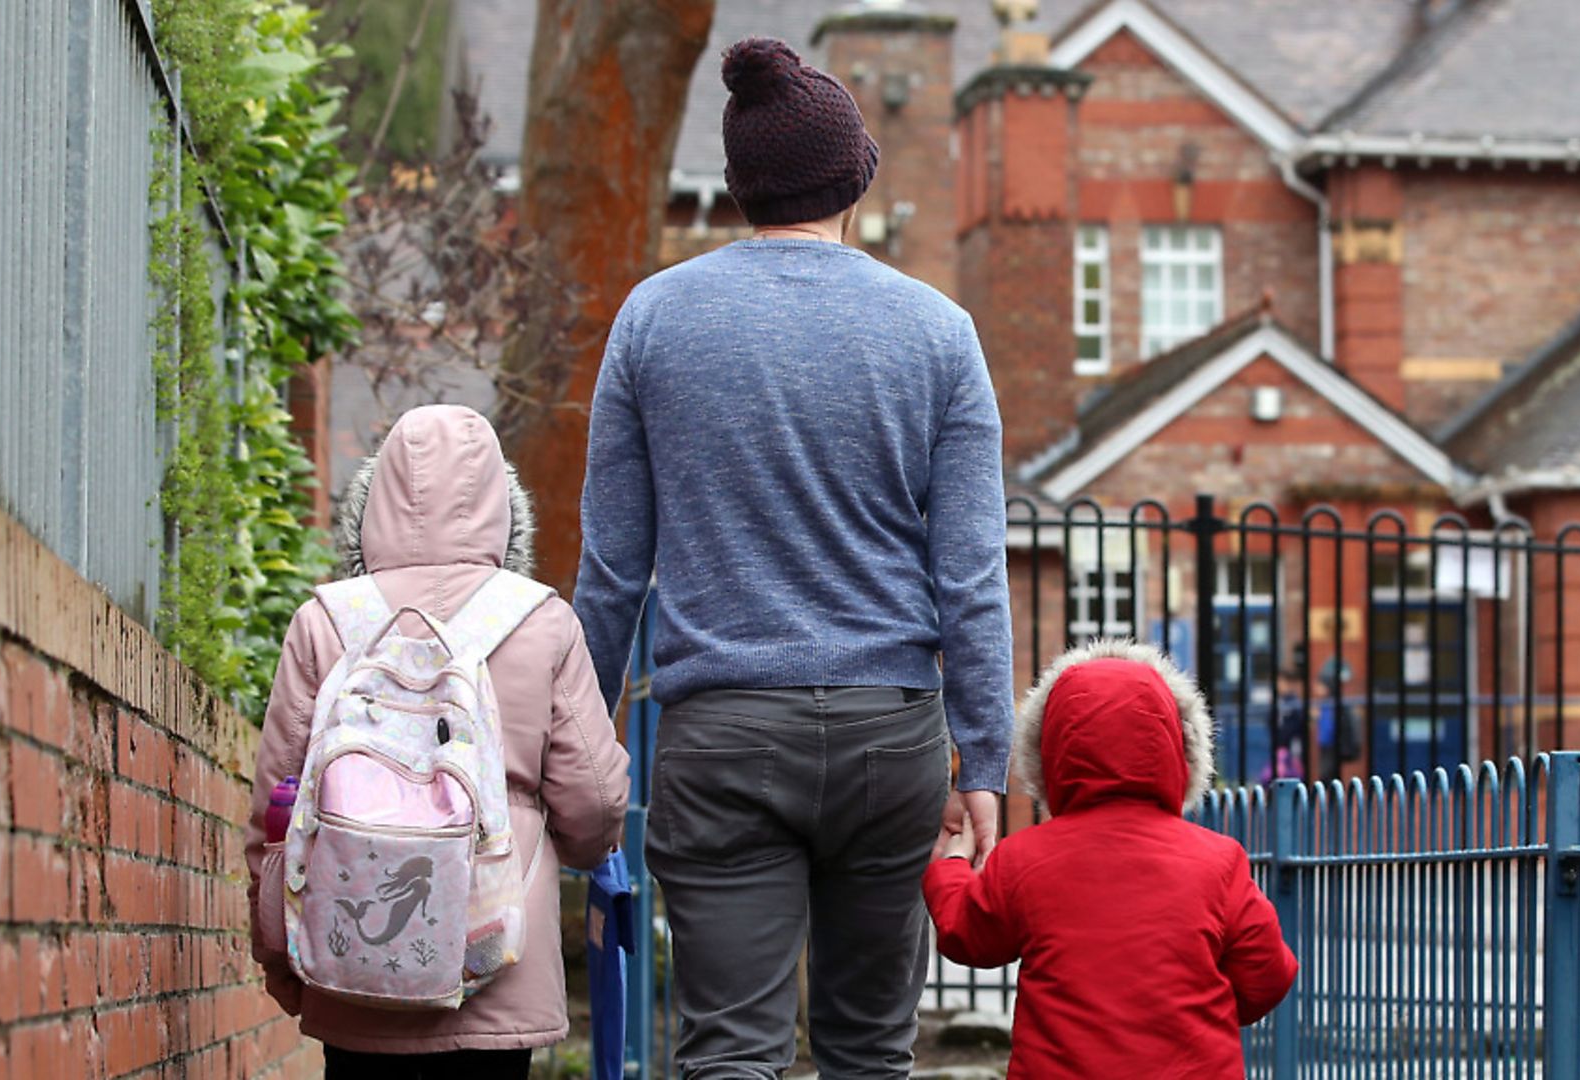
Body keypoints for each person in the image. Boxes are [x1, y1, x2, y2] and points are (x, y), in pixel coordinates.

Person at [573, 35, 1013, 1080]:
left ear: (738, 186)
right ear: (856, 174)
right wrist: (984, 757)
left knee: (731, 1050)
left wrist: (578, 752)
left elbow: (610, 571)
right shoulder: (939, 333)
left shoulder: (653, 320)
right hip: (890, 739)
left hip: (721, 739)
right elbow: (971, 577)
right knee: (871, 1050)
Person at [245, 405, 631, 1080]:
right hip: (497, 964)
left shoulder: (324, 621)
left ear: (373, 502)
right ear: (504, 508)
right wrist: (576, 849)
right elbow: (594, 804)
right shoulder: (541, 622)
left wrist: (282, 953)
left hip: (351, 965)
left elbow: (275, 811)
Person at [924, 640, 1298, 1078]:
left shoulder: (1024, 859)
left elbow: (966, 934)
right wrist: (1193, 1009)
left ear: (1050, 753)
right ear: (1179, 747)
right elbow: (1268, 975)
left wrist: (950, 866)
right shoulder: (1219, 862)